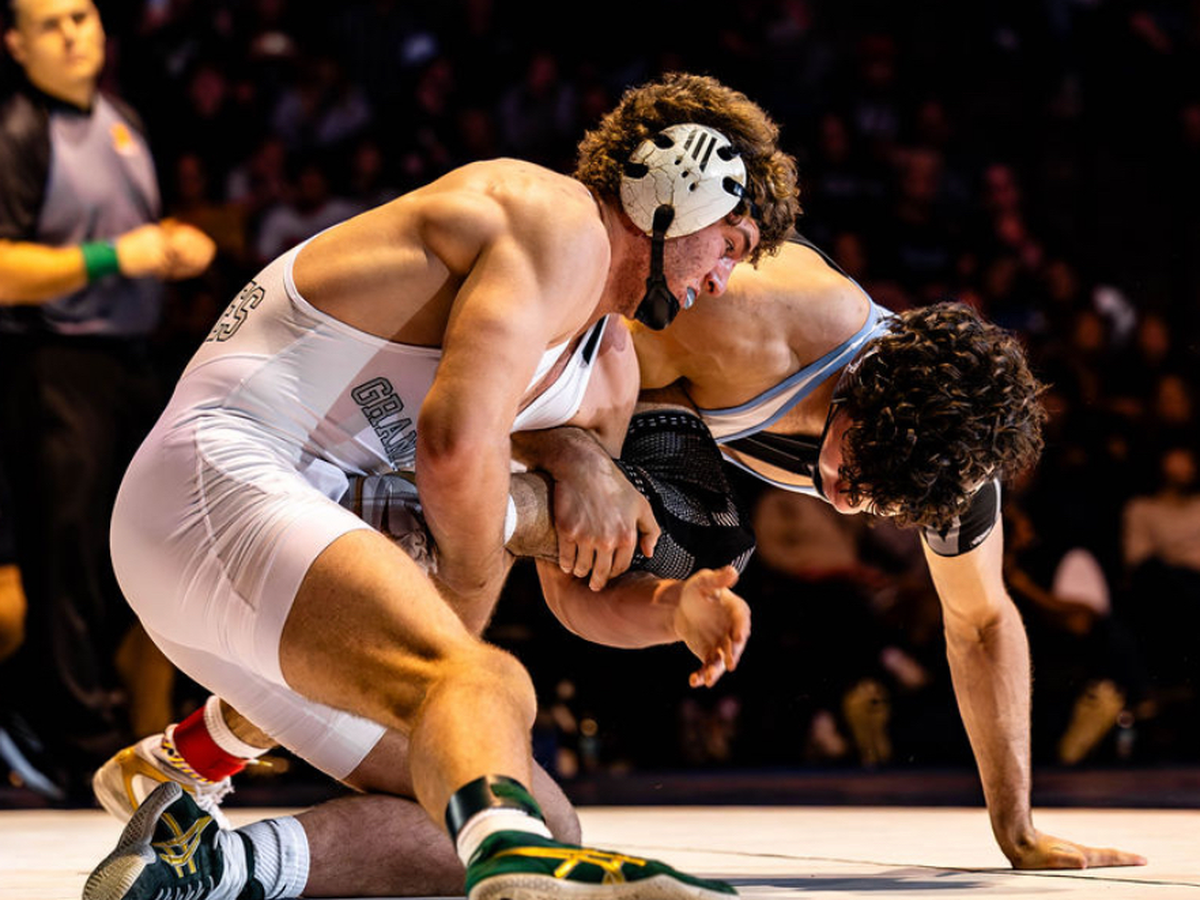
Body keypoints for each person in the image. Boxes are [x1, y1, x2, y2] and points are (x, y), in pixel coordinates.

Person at [98, 235, 1146, 875]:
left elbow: (981, 620)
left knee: (567, 599)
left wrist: (1016, 824)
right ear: (867, 386)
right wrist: (574, 455)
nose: (850, 499)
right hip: (407, 405)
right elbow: (539, 343)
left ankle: (204, 771)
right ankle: (235, 720)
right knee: (489, 575)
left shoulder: (945, 466)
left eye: (881, 505)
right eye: (856, 466)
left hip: (574, 432)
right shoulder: (750, 316)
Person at [83, 72, 800, 900]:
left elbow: (572, 589)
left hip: (269, 554)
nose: (721, 281)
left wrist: (672, 609)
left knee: (532, 804)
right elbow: (454, 444)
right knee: (486, 683)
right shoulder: (555, 217)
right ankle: (516, 871)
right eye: (731, 245)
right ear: (676, 185)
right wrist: (460, 621)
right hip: (216, 482)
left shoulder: (608, 375)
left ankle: (201, 863)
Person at [0, 0, 216, 800]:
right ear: (16, 45)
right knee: (68, 557)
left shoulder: (123, 121)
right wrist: (114, 256)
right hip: (53, 358)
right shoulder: (18, 130)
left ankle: (102, 720)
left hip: (132, 357)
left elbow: (135, 238)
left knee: (140, 547)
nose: (71, 34)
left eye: (82, 16)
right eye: (50, 24)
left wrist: (171, 246)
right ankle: (69, 741)